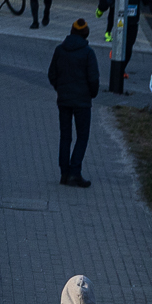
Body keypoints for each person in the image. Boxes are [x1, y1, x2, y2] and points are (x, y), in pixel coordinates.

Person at [49, 18, 101, 186]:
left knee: (65, 137)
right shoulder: (88, 53)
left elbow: (52, 74)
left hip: (64, 100)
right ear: (86, 34)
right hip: (82, 102)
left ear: (71, 31)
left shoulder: (60, 50)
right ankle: (75, 172)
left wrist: (60, 89)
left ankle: (64, 173)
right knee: (82, 136)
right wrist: (91, 94)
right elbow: (93, 79)